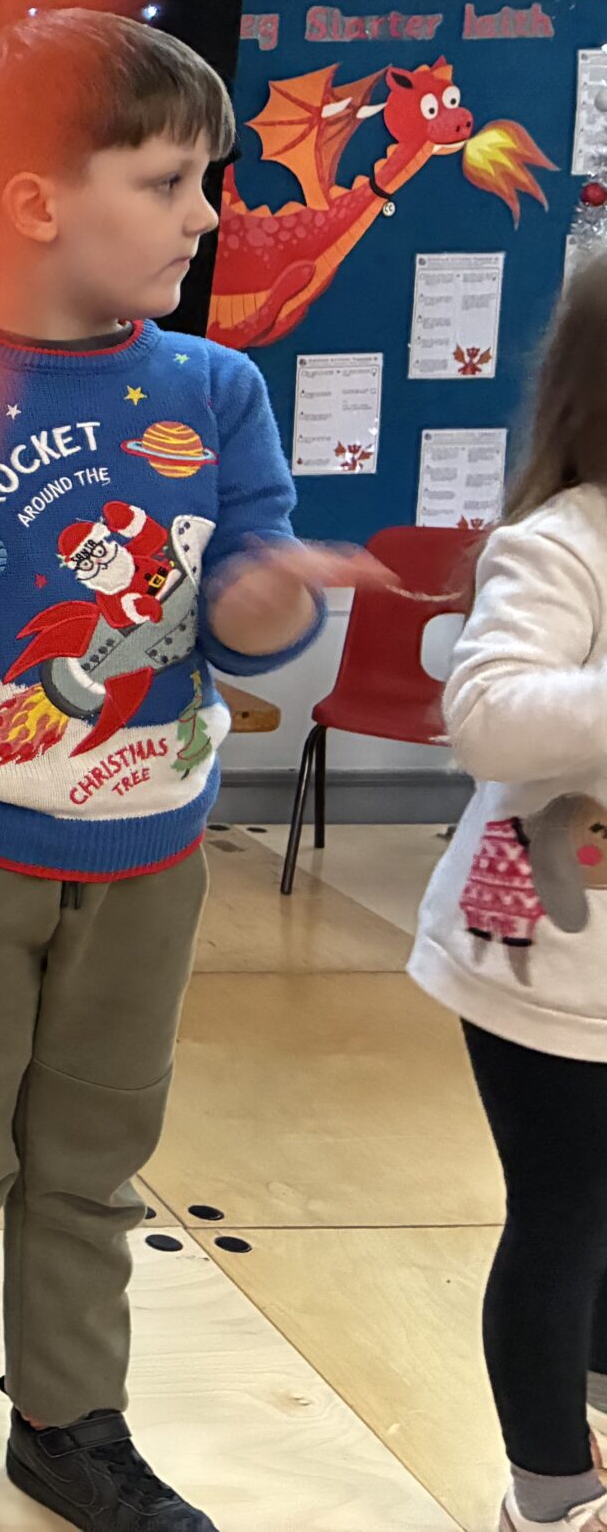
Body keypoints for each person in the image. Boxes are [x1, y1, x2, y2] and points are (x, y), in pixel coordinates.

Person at [0, 10, 388, 1532]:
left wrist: (266, 600)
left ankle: (67, 1421)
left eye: (205, 181)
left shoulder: (217, 392)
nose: (207, 216)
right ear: (35, 201)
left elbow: (251, 629)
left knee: (96, 1156)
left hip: (148, 850)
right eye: (168, 182)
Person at [406, 260, 607, 1532]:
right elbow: (484, 716)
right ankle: (549, 1493)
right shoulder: (562, 542)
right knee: (563, 1218)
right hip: (542, 960)